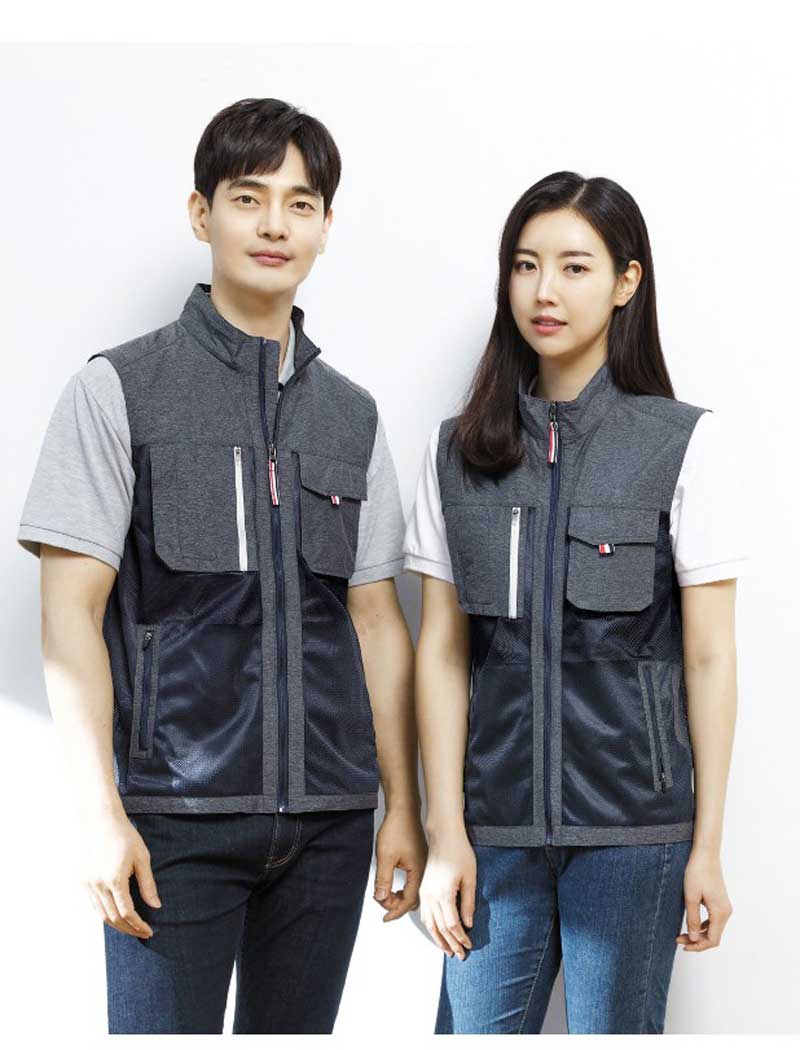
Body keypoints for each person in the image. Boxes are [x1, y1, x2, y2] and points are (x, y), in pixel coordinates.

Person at [17, 97, 425, 1034]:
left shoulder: (352, 417)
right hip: (173, 821)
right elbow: (69, 617)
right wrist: (100, 815)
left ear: (325, 226)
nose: (275, 224)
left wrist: (400, 805)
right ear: (202, 214)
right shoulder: (118, 390)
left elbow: (375, 621)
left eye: (300, 204)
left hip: (329, 824)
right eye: (249, 198)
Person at [402, 171, 745, 1034]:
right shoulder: (455, 453)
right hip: (494, 833)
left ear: (627, 282)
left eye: (574, 266)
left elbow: (709, 656)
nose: (544, 291)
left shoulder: (681, 443)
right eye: (525, 265)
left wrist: (706, 845)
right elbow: (440, 651)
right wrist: (447, 833)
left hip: (634, 834)